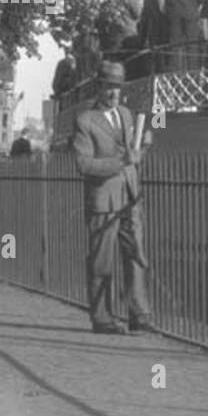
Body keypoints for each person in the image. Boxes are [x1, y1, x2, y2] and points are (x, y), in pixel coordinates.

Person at [71, 61, 153, 335]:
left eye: (118, 87)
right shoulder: (85, 120)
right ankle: (102, 318)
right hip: (104, 201)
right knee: (101, 260)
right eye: (109, 87)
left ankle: (139, 314)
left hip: (130, 196)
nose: (114, 93)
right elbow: (84, 164)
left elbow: (132, 154)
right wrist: (121, 162)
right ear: (99, 87)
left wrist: (143, 147)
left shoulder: (126, 115)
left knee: (136, 255)